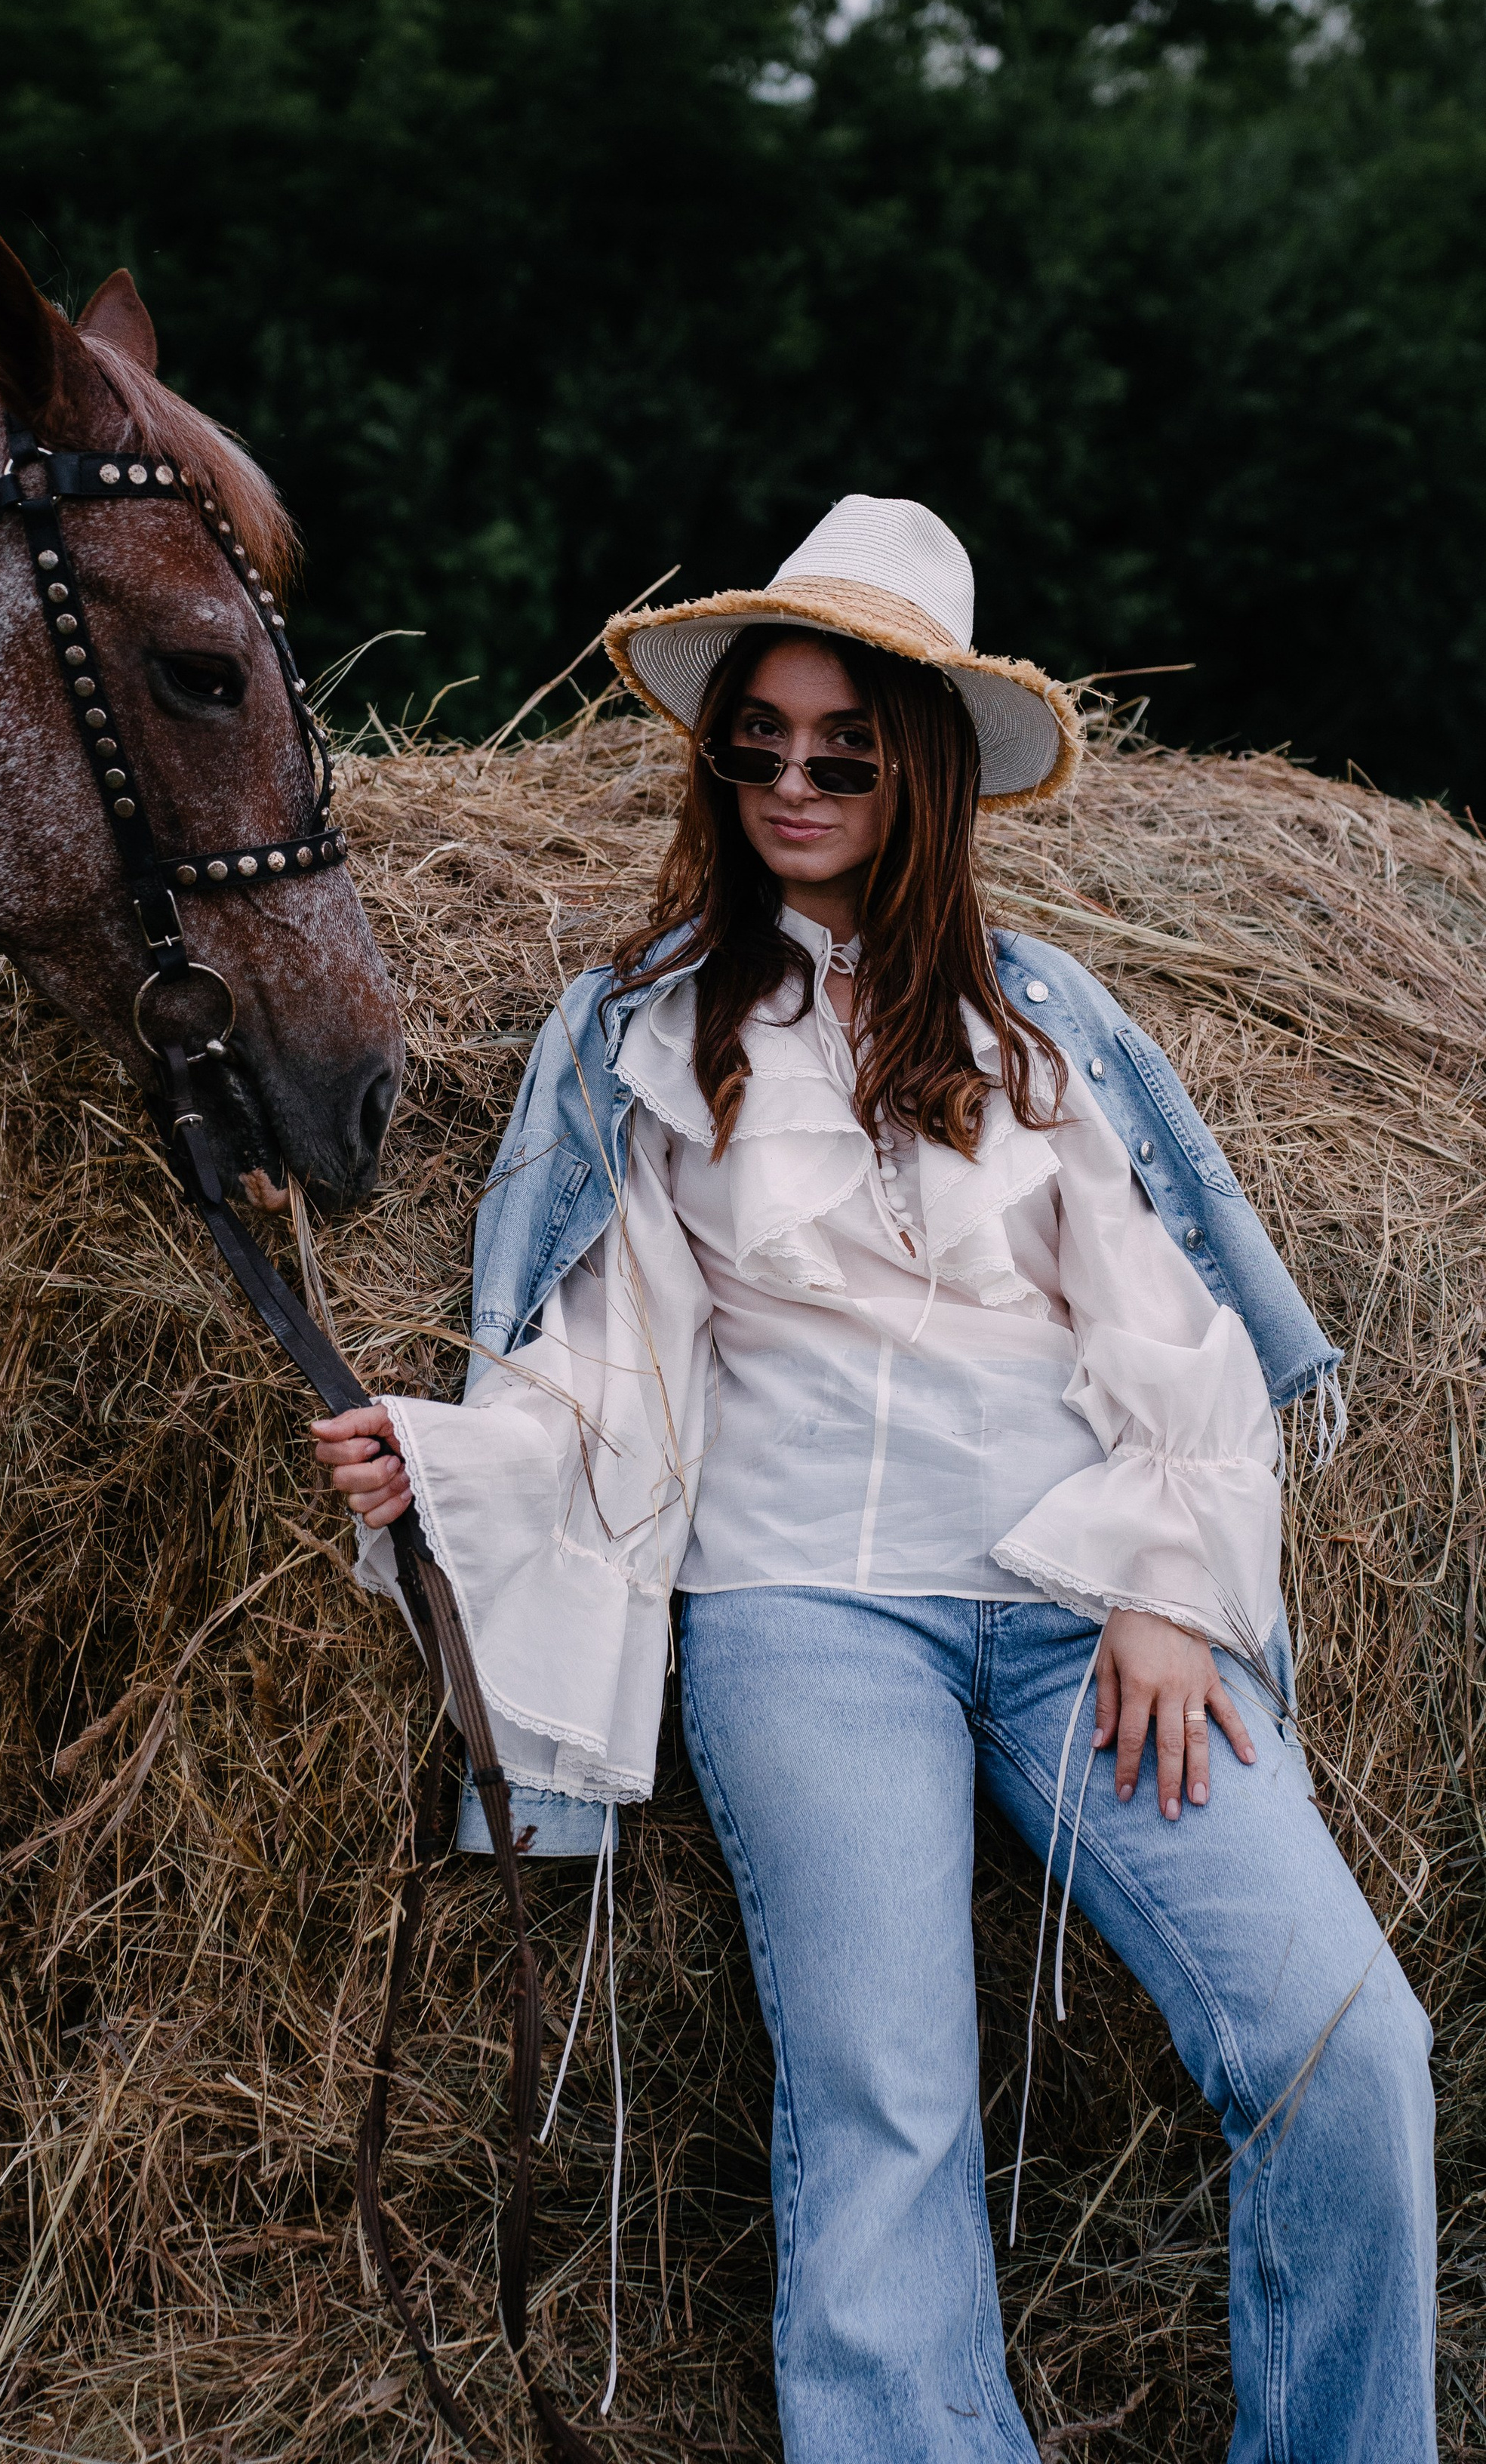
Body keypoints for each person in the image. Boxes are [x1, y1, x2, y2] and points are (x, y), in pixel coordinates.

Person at [310, 497, 1436, 2462]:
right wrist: (441, 1455)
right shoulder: (653, 1032)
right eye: (758, 742)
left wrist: (1170, 1588)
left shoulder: (1039, 1025)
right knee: (886, 2104)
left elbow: (1173, 1339)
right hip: (802, 1612)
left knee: (1353, 2045)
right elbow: (606, 1370)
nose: (797, 780)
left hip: (1080, 1594)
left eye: (842, 746)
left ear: (917, 762)